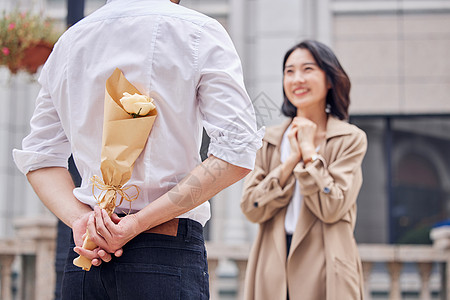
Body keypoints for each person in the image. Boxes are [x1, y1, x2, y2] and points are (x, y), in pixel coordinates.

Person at [12, 0, 263, 299]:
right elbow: (236, 151)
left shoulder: (70, 41)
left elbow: (40, 157)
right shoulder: (198, 31)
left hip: (87, 253)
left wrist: (81, 221)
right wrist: (135, 223)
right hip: (164, 250)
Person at [241, 40, 367, 300]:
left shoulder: (349, 139)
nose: (297, 79)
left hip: (327, 263)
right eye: (289, 71)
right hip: (273, 261)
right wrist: (289, 164)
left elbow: (333, 206)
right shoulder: (269, 140)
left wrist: (310, 154)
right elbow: (251, 207)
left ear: (330, 78)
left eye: (308, 69)